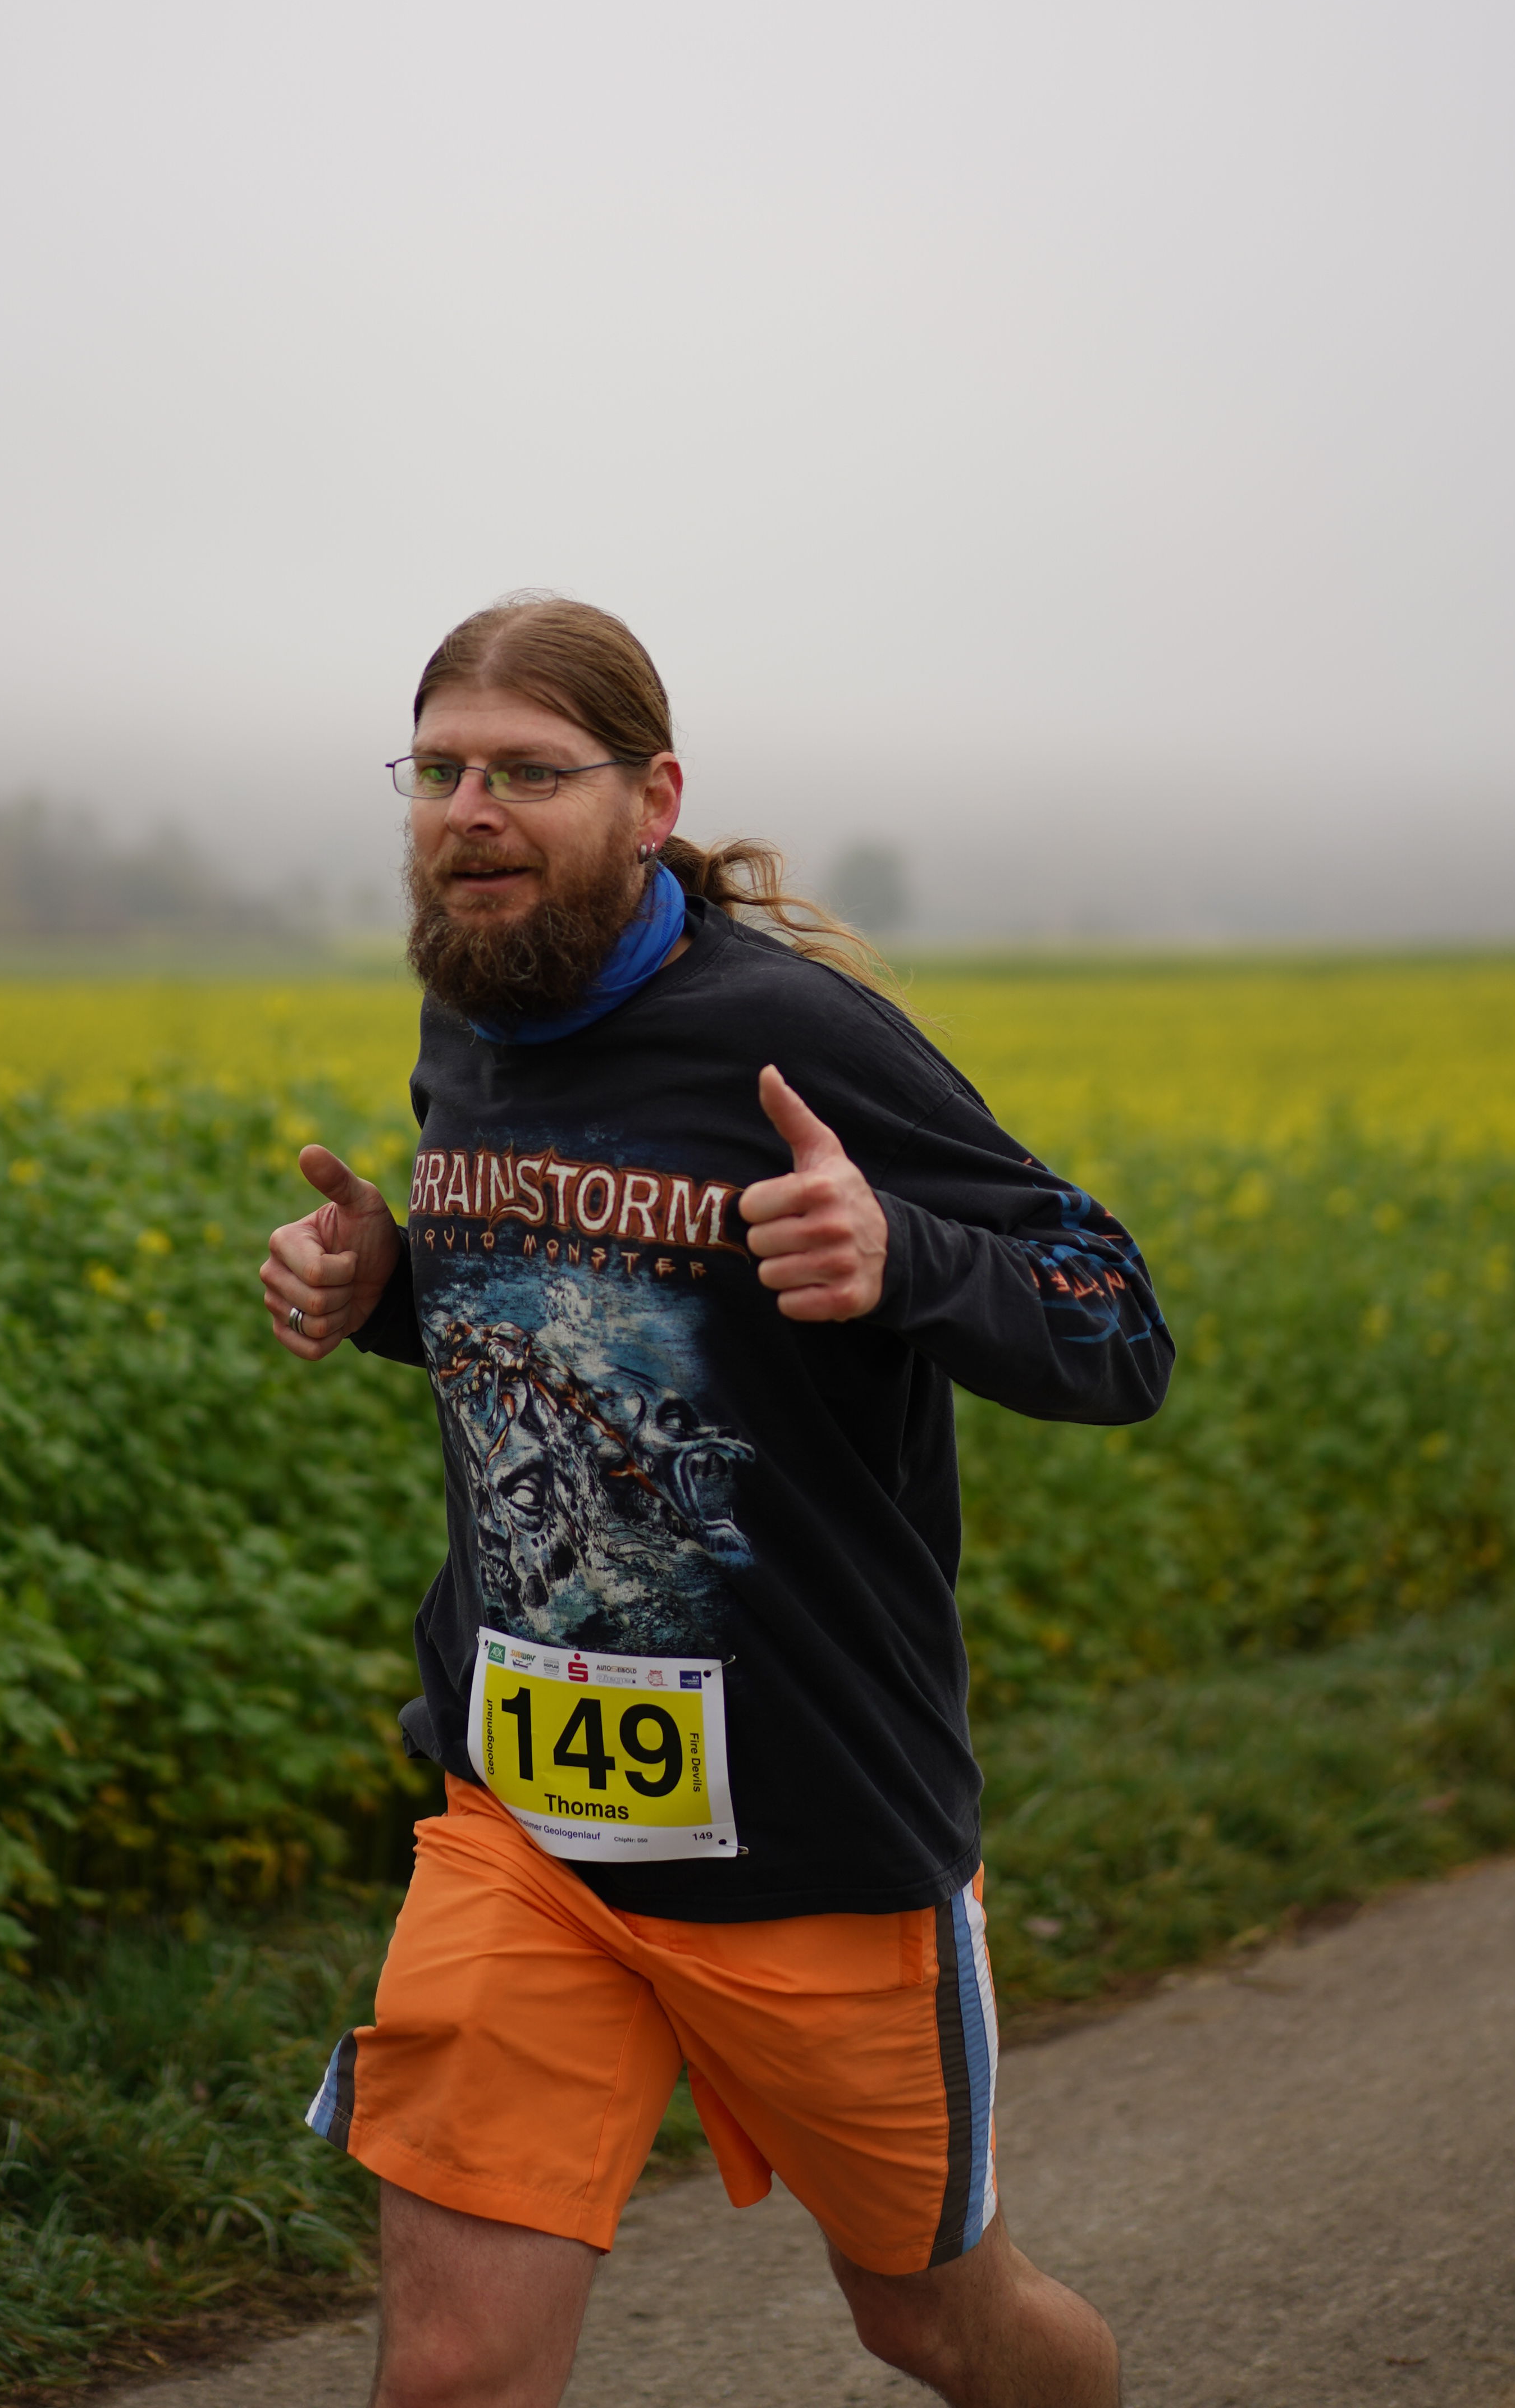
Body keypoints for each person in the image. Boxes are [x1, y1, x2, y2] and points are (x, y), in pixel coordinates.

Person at [261, 598, 1171, 2408]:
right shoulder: (472, 1013)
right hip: (523, 1817)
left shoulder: (790, 1033)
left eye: (530, 772)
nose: (472, 811)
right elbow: (575, 1323)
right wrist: (394, 1291)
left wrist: (902, 1251)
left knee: (939, 2325)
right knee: (449, 2373)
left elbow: (1115, 1324)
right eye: (439, 770)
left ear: (654, 797)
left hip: (815, 1837)